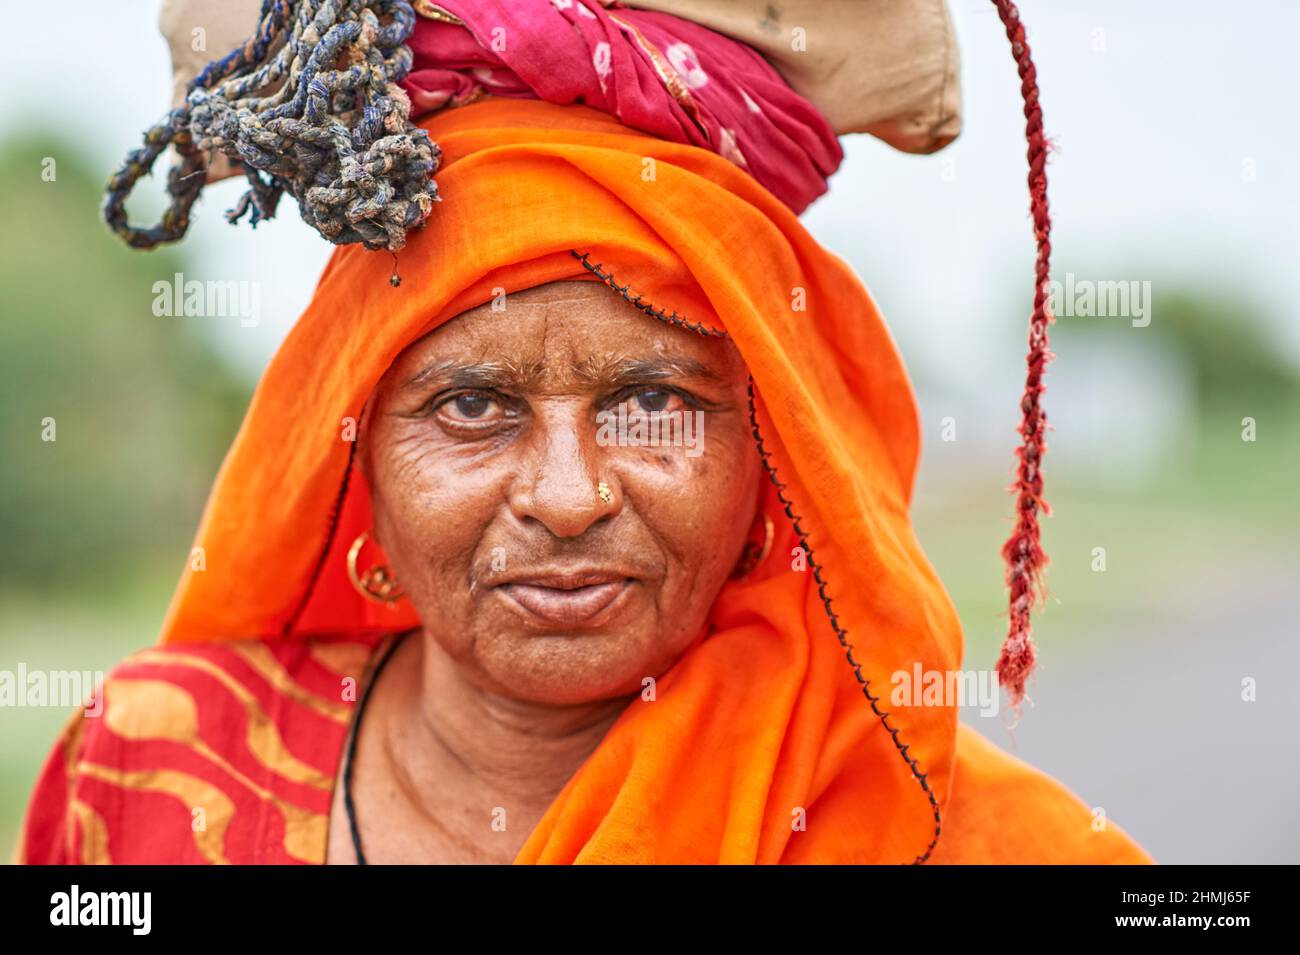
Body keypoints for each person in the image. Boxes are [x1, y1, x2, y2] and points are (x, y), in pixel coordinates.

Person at [18, 0, 1152, 864]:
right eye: (471, 406)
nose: (567, 498)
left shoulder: (992, 846)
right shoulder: (144, 773)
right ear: (353, 456)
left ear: (773, 459)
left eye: (656, 401)